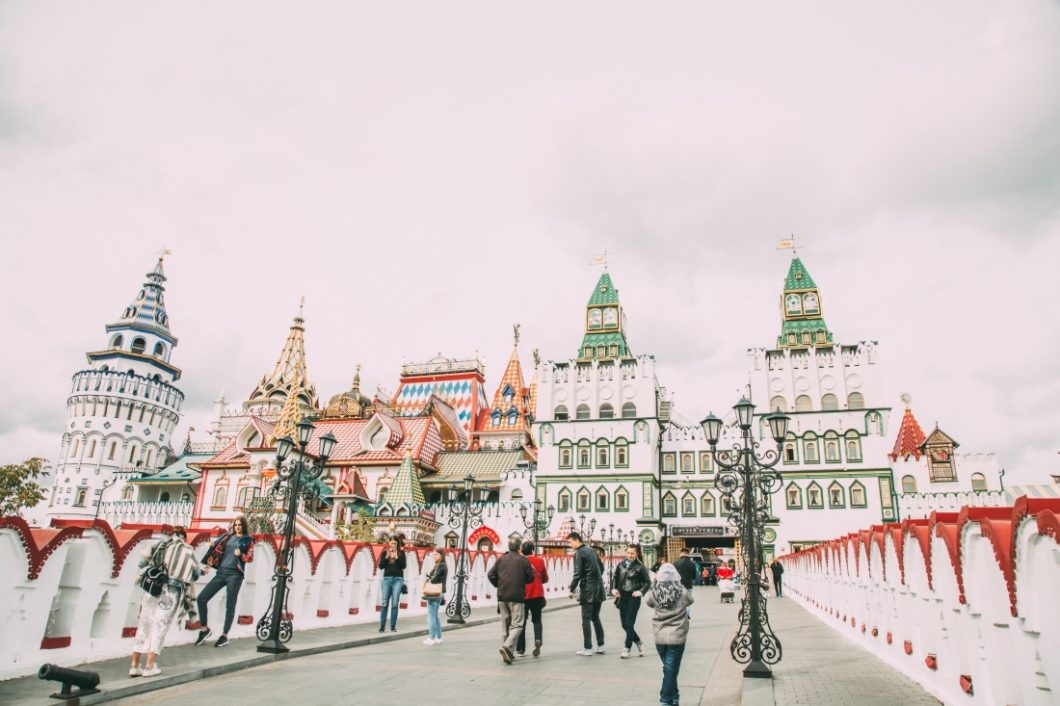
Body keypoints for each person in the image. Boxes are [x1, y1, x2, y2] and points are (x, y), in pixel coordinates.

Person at [130, 527, 202, 677]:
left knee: (144, 624)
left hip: (152, 590)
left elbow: (142, 563)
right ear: (184, 537)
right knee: (160, 626)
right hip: (170, 593)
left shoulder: (160, 545)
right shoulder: (188, 550)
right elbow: (195, 574)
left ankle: (134, 666)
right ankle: (149, 667)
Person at [196, 515, 254, 648]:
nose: (237, 527)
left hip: (235, 575)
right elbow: (217, 549)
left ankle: (224, 635)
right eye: (235, 525)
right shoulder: (227, 536)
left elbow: (250, 557)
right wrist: (212, 545)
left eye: (240, 525)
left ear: (243, 526)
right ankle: (204, 629)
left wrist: (241, 555)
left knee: (230, 606)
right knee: (201, 598)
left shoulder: (247, 540)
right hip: (221, 573)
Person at [646, 563, 694, 706]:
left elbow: (649, 603)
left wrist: (656, 583)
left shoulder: (655, 592)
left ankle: (674, 697)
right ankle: (666, 700)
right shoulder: (682, 591)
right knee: (670, 668)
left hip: (659, 636)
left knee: (669, 668)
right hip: (677, 636)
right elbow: (691, 601)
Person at [487, 537, 535, 664]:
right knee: (518, 624)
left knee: (505, 625)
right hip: (517, 596)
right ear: (520, 548)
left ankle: (508, 653)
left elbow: (490, 574)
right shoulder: (524, 560)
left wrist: (499, 584)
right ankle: (506, 646)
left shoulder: (501, 559)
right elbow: (531, 578)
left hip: (502, 596)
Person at [568, 531, 605, 656]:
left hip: (588, 589)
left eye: (570, 542)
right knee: (595, 617)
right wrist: (597, 578)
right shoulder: (592, 550)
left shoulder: (579, 553)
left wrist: (571, 589)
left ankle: (588, 647)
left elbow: (577, 573)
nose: (570, 545)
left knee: (586, 619)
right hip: (599, 588)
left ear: (576, 540)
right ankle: (601, 645)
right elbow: (602, 567)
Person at [611, 544, 651, 659]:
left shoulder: (640, 567)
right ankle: (639, 642)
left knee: (629, 623)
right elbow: (615, 578)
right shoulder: (621, 565)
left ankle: (627, 648)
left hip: (633, 598)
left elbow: (647, 582)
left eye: (632, 553)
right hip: (622, 597)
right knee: (624, 625)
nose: (630, 555)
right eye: (628, 553)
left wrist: (640, 591)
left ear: (637, 554)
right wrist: (614, 589)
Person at [516, 541, 548, 658]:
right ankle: (538, 639)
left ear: (521, 550)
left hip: (523, 595)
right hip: (537, 594)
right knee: (537, 620)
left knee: (521, 622)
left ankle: (520, 649)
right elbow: (545, 577)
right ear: (532, 550)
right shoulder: (539, 560)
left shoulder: (519, 561)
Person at [377, 538, 407, 632]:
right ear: (389, 544)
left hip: (398, 579)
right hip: (387, 579)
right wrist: (386, 557)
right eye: (392, 543)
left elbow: (403, 566)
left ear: (397, 544)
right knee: (385, 603)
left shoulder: (401, 553)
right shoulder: (385, 552)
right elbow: (381, 566)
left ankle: (393, 626)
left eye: (395, 543)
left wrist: (397, 557)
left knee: (394, 604)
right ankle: (382, 626)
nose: (393, 545)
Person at [422, 548, 448, 645]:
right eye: (433, 554)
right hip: (440, 592)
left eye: (436, 554)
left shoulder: (441, 565)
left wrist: (428, 578)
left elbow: (433, 580)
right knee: (435, 615)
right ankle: (438, 637)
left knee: (431, 616)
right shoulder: (441, 565)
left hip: (435, 592)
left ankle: (431, 638)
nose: (434, 556)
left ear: (441, 555)